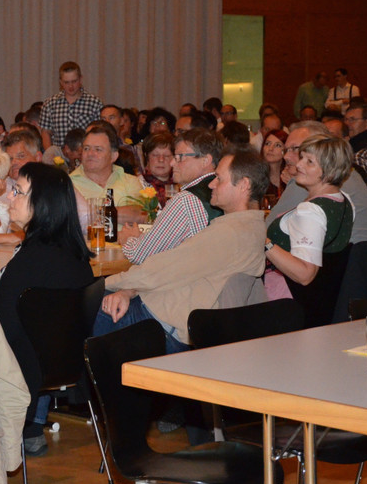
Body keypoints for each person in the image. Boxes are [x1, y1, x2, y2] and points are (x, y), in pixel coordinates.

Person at [95, 147, 270, 354]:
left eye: (219, 179)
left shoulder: (229, 233)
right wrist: (128, 290)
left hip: (164, 327)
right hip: (183, 322)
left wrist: (101, 285)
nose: (211, 184)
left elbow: (159, 270)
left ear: (243, 185)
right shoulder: (253, 227)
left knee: (89, 305)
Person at [0, 162, 94, 457]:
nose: (10, 197)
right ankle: (31, 429)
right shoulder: (77, 257)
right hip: (64, 366)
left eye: (18, 191)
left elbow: (2, 329)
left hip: (20, 370)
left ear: (42, 203)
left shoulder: (28, 263)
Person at [265, 134, 353, 298]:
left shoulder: (310, 211)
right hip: (321, 299)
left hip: (284, 297)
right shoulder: (345, 200)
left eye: (309, 161)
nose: (299, 164)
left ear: (330, 171)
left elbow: (305, 274)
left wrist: (264, 242)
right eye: (302, 158)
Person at [270, 121, 367, 244]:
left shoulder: (310, 181)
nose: (286, 157)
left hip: (353, 254)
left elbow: (269, 230)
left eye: (295, 149)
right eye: (286, 150)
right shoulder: (350, 173)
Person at [119, 129, 223, 264]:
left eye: (180, 157)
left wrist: (129, 239)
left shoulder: (185, 200)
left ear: (205, 160)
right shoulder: (226, 192)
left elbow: (140, 255)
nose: (172, 163)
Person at [68, 124, 141, 208]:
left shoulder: (130, 182)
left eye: (98, 149)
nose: (90, 154)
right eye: (86, 148)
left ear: (113, 156)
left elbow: (138, 212)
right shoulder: (68, 184)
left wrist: (91, 211)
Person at [39, 61, 103, 147]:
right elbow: (46, 132)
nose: (71, 86)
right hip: (59, 153)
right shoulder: (50, 104)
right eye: (66, 82)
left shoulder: (94, 103)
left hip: (85, 152)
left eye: (74, 81)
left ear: (80, 79)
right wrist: (50, 153)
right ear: (61, 82)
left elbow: (100, 132)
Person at [138, 132, 176, 206]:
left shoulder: (181, 185)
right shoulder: (137, 184)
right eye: (155, 155)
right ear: (147, 157)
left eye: (166, 155)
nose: (161, 159)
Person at [262, 129, 288, 198]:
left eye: (277, 145)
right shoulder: (256, 176)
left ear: (286, 150)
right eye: (267, 144)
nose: (270, 149)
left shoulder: (291, 176)